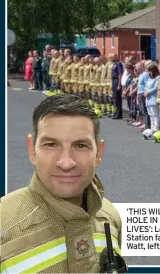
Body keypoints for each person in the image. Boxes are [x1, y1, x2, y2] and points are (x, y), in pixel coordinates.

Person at [0, 94, 124, 273]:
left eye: (81, 145)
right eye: (51, 144)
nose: (66, 163)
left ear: (99, 153)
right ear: (31, 149)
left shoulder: (110, 217)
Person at [145, 63, 160, 132]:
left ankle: (156, 128)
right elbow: (146, 86)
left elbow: (156, 87)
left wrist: (149, 92)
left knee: (155, 114)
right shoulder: (149, 78)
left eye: (149, 71)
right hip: (148, 99)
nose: (148, 72)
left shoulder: (157, 78)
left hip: (153, 98)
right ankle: (152, 128)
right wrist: (145, 91)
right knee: (150, 114)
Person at [136, 61, 151, 129]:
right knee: (142, 109)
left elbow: (147, 84)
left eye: (138, 68)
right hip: (139, 93)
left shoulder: (145, 74)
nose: (137, 69)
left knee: (145, 110)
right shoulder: (141, 74)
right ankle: (145, 123)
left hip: (142, 93)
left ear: (142, 67)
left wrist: (145, 93)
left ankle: (147, 125)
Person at [110, 54, 124, 120]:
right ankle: (117, 113)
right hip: (114, 81)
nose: (111, 58)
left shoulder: (118, 64)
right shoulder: (114, 64)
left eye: (112, 57)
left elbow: (120, 74)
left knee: (118, 99)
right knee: (115, 98)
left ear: (116, 57)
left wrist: (119, 85)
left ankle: (119, 114)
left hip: (116, 81)